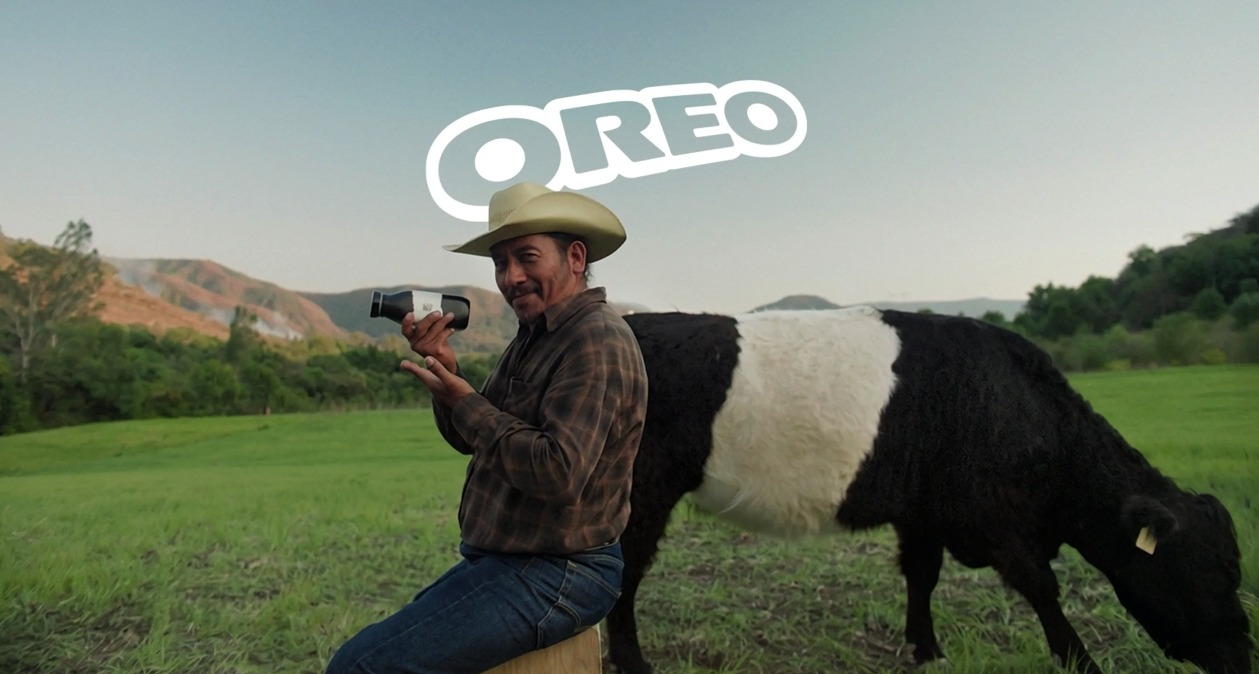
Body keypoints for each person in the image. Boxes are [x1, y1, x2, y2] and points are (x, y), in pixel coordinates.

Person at [326, 182, 649, 674]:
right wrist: (447, 375)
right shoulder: (533, 336)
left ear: (576, 257)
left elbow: (558, 473)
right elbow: (472, 439)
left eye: (527, 257)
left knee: (358, 667)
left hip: (560, 572)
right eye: (501, 263)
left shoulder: (595, 340)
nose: (511, 277)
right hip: (512, 563)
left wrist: (468, 402)